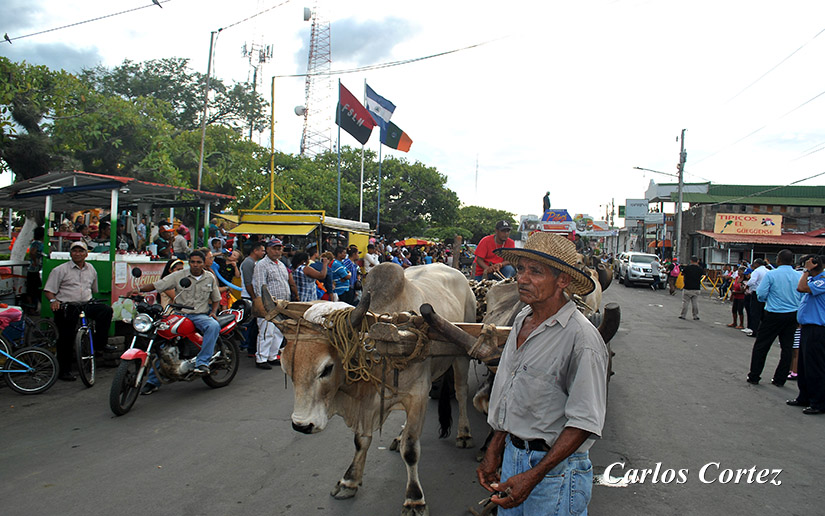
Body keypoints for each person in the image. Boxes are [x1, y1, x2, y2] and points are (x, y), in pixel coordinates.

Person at [477, 232, 607, 514]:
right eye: (520, 268)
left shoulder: (582, 339)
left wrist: (534, 475)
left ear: (563, 281)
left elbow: (584, 422)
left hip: (556, 474)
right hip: (513, 458)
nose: (522, 279)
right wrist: (495, 447)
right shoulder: (522, 319)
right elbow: (511, 393)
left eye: (535, 271)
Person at [134, 250, 221, 394]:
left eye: (198, 262)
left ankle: (202, 362)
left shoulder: (209, 277)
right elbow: (158, 285)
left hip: (199, 315)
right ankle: (153, 381)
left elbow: (216, 298)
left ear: (203, 263)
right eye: (192, 262)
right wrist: (138, 290)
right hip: (179, 314)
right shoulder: (179, 275)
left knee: (213, 325)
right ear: (189, 262)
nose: (195, 265)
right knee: (164, 342)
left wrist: (213, 312)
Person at [43, 241, 114, 380]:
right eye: (74, 251)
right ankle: (64, 371)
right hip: (67, 305)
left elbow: (94, 289)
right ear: (70, 254)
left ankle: (100, 344)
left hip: (85, 304)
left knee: (106, 310)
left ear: (86, 254)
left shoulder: (91, 269)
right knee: (66, 336)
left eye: (81, 251)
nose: (77, 254)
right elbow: (49, 291)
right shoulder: (60, 270)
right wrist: (53, 301)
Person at [747, 250, 802, 386]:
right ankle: (780, 378)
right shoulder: (798, 275)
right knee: (787, 348)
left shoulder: (772, 274)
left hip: (774, 313)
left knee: (762, 345)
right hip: (792, 314)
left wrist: (768, 300)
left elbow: (761, 293)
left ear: (778, 260)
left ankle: (754, 375)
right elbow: (802, 296)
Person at [787, 254, 825, 414]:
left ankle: (819, 403)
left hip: (818, 329)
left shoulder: (822, 280)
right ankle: (804, 397)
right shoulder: (814, 280)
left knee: (815, 367)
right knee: (804, 366)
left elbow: (801, 288)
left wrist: (806, 271)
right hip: (807, 328)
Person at [252, 239, 298, 369]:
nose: (277, 251)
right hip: (268, 304)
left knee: (278, 331)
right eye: (274, 249)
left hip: (282, 303)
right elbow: (259, 286)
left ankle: (272, 355)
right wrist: (263, 303)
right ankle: (261, 358)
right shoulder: (262, 265)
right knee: (266, 332)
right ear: (267, 249)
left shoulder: (281, 264)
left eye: (279, 249)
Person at [240, 242, 266, 357]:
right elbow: (248, 283)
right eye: (262, 250)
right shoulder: (248, 263)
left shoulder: (255, 263)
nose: (263, 253)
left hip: (253, 296)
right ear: (255, 251)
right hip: (248, 297)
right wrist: (254, 297)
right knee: (251, 324)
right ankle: (248, 347)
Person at [25, 226, 45, 314]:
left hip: (36, 269)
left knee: (34, 289)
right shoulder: (37, 243)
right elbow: (32, 252)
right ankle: (32, 308)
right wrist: (35, 261)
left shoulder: (38, 243)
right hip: (34, 270)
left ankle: (35, 307)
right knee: (33, 289)